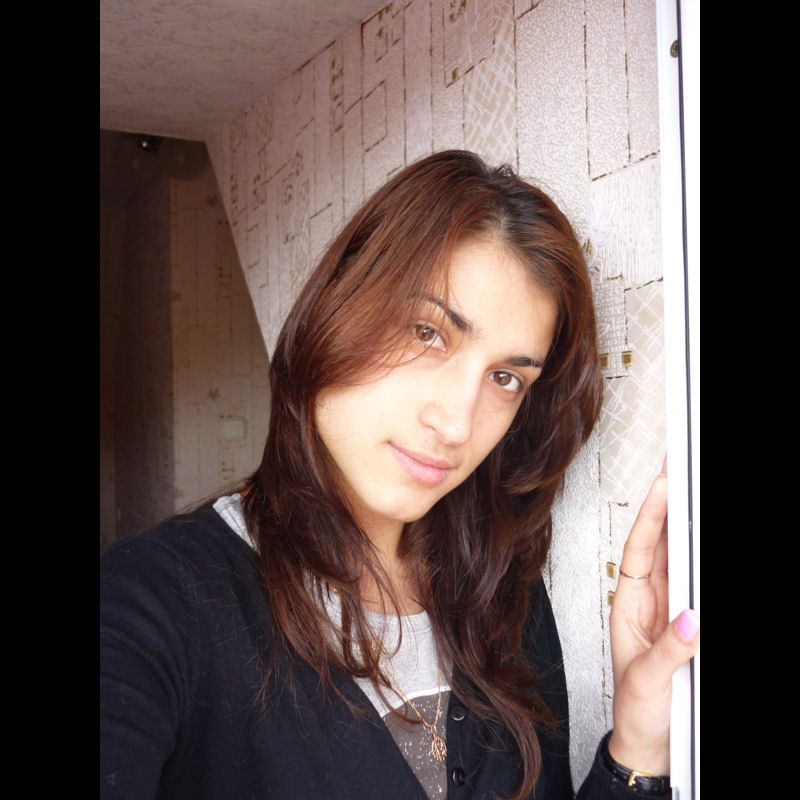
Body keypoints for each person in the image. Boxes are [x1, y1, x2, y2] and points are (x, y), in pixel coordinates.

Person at [100, 150, 699, 799]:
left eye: (505, 378)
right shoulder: (146, 606)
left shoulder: (503, 595)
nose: (457, 423)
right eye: (427, 332)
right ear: (338, 305)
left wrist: (637, 750)